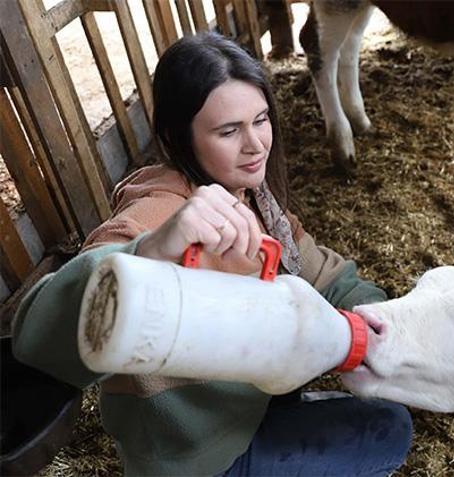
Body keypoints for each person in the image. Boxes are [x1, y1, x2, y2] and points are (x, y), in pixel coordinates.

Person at [12, 33, 412, 476]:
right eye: (228, 131)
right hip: (204, 458)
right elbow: (40, 337)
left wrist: (395, 326)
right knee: (389, 431)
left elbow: (328, 277)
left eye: (260, 120)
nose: (257, 144)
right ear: (177, 136)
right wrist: (152, 250)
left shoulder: (254, 201)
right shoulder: (162, 213)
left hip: (255, 409)